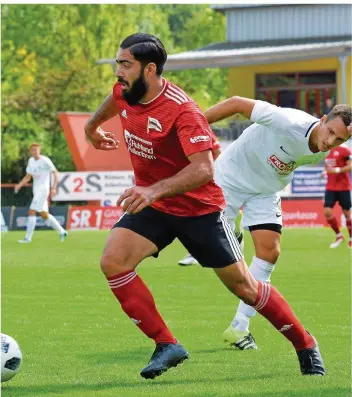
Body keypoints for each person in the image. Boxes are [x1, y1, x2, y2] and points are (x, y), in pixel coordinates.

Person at [85, 33, 325, 379]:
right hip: (156, 203)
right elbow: (114, 100)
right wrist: (92, 127)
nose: (118, 71)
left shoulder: (182, 110)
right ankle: (166, 344)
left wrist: (153, 191)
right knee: (113, 261)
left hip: (200, 209)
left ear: (149, 69)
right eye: (118, 62)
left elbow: (204, 168)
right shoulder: (126, 91)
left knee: (245, 286)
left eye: (125, 64)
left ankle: (305, 344)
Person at [202, 96, 351, 350]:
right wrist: (190, 127)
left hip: (265, 191)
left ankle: (239, 328)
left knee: (270, 252)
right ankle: (232, 230)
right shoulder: (288, 120)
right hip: (230, 178)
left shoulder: (322, 150)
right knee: (217, 256)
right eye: (330, 132)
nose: (330, 141)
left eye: (339, 140)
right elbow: (237, 103)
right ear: (323, 120)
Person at [178, 134, 244, 266]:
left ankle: (197, 252)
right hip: (188, 178)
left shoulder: (199, 130)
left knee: (204, 215)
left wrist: (218, 176)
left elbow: (219, 154)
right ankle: (196, 252)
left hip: (207, 180)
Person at [15, 143, 67, 243]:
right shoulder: (31, 161)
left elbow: (55, 173)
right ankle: (62, 231)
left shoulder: (45, 160)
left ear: (39, 150)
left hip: (43, 190)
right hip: (36, 190)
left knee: (31, 211)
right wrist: (19, 185)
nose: (35, 152)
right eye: (32, 150)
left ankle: (27, 238)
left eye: (36, 150)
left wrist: (54, 188)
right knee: (44, 214)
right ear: (30, 151)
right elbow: (28, 177)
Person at [321, 144, 352, 248]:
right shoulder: (326, 150)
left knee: (347, 214)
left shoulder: (345, 149)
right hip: (330, 187)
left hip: (344, 188)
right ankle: (339, 236)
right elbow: (327, 166)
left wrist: (337, 170)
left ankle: (351, 238)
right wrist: (325, 172)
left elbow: (350, 166)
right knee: (327, 212)